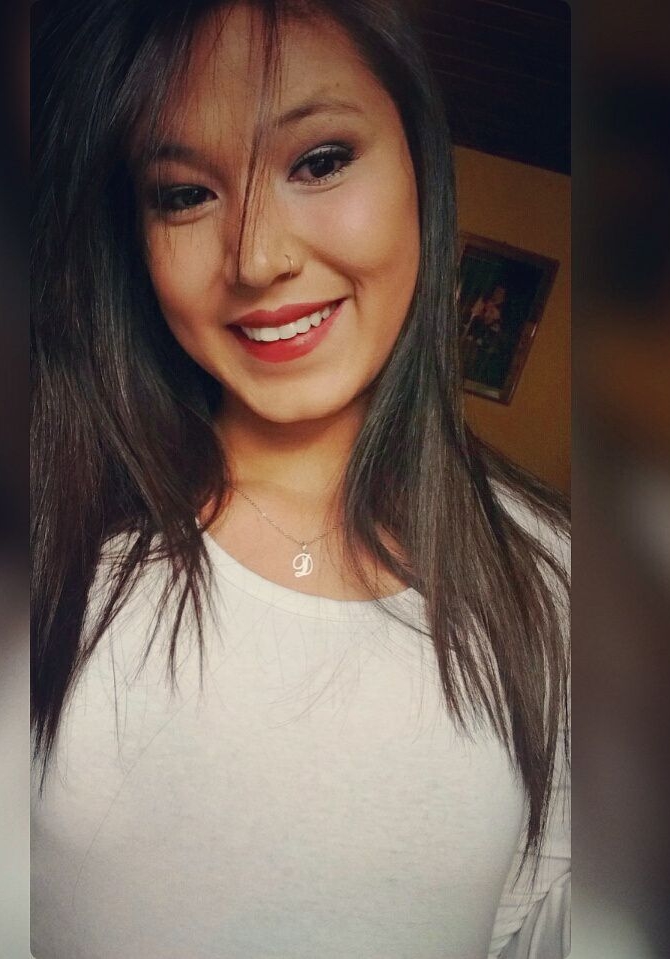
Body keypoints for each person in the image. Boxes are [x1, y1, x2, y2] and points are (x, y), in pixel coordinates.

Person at [31, 2, 570, 957]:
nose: (257, 258)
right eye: (184, 194)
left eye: (319, 162)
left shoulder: (557, 585)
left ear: (421, 168)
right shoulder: (40, 529)